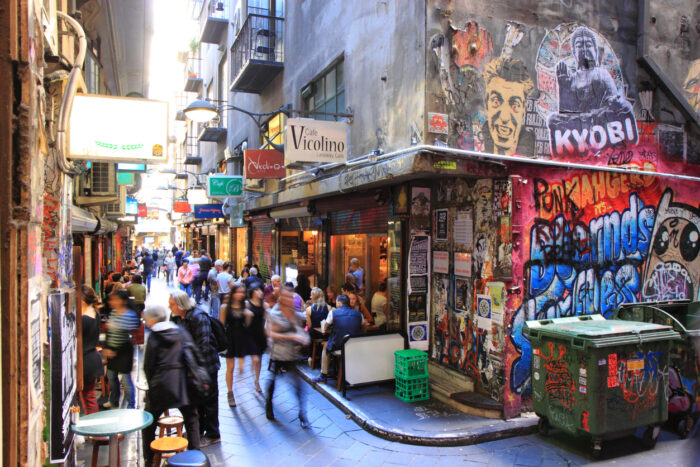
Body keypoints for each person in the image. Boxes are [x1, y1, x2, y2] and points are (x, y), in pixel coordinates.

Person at [141, 303, 200, 465]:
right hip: (181, 385)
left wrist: (151, 385)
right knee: (191, 419)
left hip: (160, 386)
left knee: (148, 424)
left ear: (153, 320)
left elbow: (148, 365)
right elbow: (192, 356)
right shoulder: (180, 332)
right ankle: (195, 455)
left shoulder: (153, 337)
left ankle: (149, 459)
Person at [169, 289, 220, 446]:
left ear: (181, 305)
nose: (169, 307)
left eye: (172, 304)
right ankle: (198, 430)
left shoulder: (199, 317)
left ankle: (213, 434)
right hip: (191, 367)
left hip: (206, 366)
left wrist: (196, 369)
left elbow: (203, 346)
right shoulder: (176, 317)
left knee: (210, 400)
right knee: (197, 400)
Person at [265, 287, 309, 426]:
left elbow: (298, 328)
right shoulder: (275, 313)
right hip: (278, 353)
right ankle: (268, 404)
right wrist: (291, 336)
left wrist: (303, 336)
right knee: (273, 380)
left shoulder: (292, 312)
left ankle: (302, 414)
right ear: (281, 297)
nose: (290, 300)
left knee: (298, 385)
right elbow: (271, 334)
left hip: (291, 353)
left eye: (291, 297)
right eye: (287, 297)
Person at [103, 290, 140, 409]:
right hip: (112, 350)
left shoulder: (130, 315)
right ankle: (114, 400)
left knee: (125, 379)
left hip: (123, 352)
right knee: (111, 376)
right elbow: (110, 331)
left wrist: (114, 349)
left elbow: (127, 334)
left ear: (123, 301)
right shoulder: (113, 312)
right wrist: (108, 348)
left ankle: (131, 405)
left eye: (115, 299)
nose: (112, 302)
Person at [314, 294, 364, 383]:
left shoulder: (333, 313)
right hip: (356, 347)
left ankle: (323, 375)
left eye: (337, 302)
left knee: (326, 346)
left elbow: (324, 328)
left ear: (339, 303)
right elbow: (364, 329)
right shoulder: (359, 314)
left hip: (339, 347)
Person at [220, 284, 247, 407]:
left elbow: (247, 324)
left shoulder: (245, 305)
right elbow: (221, 325)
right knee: (230, 368)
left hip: (242, 337)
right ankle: (230, 393)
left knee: (241, 367)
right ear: (233, 293)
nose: (241, 295)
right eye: (238, 292)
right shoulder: (225, 307)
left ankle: (237, 389)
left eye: (242, 292)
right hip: (230, 337)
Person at [79, 285, 104, 415]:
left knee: (87, 397)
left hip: (86, 360)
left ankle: (95, 433)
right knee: (89, 395)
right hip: (92, 358)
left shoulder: (83, 319)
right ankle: (95, 431)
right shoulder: (95, 313)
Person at [245, 282, 267, 393]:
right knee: (255, 358)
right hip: (250, 335)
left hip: (260, 334)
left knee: (259, 359)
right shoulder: (247, 304)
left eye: (261, 290)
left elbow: (264, 321)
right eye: (257, 290)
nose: (260, 292)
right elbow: (245, 323)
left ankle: (256, 380)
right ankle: (254, 379)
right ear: (252, 292)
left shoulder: (264, 305)